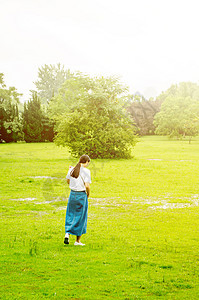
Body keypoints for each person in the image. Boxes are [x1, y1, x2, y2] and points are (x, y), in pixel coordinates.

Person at [64, 155, 91, 246]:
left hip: (72, 194)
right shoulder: (86, 171)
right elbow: (87, 185)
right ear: (86, 162)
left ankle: (67, 233)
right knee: (81, 217)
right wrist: (88, 194)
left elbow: (68, 181)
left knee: (70, 214)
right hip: (81, 195)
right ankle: (77, 241)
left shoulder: (71, 169)